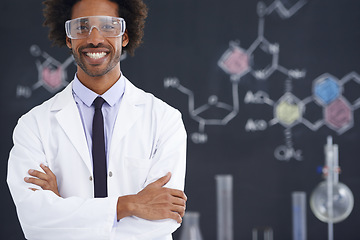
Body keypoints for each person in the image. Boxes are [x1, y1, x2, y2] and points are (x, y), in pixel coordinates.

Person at [7, 0, 187, 239]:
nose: (94, 38)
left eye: (108, 26)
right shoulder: (33, 126)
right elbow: (34, 221)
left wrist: (63, 211)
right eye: (81, 27)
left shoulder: (165, 120)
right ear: (69, 38)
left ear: (124, 36)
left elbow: (163, 219)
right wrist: (128, 205)